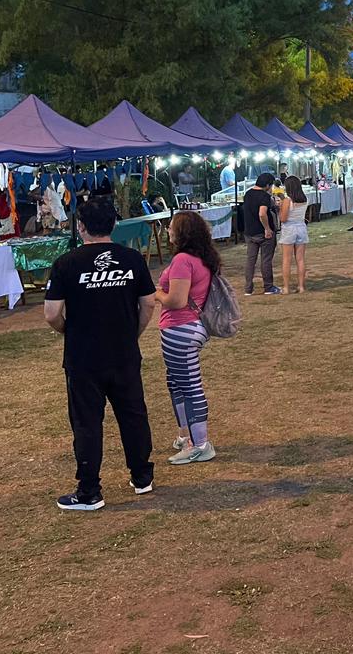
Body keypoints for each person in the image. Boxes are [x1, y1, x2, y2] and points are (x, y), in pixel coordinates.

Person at [43, 198, 156, 510]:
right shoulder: (132, 259)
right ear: (114, 225)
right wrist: (133, 333)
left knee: (87, 422)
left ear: (81, 227)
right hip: (123, 352)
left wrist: (69, 330)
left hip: (84, 357)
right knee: (133, 414)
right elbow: (148, 302)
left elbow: (52, 313)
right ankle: (142, 476)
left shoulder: (67, 263)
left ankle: (90, 490)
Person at [155, 210, 220, 466]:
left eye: (171, 227)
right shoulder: (202, 257)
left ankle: (199, 444)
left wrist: (157, 294)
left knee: (189, 386)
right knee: (179, 383)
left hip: (180, 329)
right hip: (189, 328)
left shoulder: (183, 260)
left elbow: (176, 300)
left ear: (182, 232)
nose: (168, 230)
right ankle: (187, 436)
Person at [242, 172, 281, 295]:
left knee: (250, 260)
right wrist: (267, 228)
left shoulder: (247, 194)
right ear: (267, 185)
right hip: (263, 233)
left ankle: (248, 288)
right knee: (266, 260)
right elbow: (262, 213)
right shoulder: (263, 196)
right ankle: (268, 287)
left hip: (249, 232)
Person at [278, 175, 309, 294]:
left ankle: (286, 287)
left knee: (287, 259)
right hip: (301, 227)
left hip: (289, 228)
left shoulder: (287, 201)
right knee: (300, 259)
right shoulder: (304, 199)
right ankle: (301, 286)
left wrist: (280, 208)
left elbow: (283, 218)